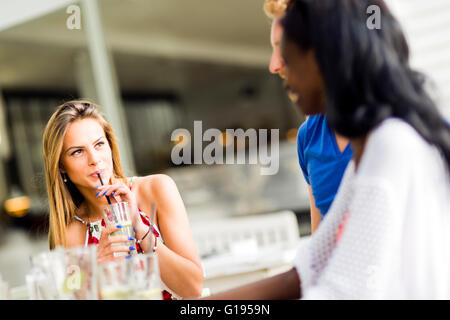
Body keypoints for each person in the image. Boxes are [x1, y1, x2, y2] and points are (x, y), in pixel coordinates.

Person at [203, 0, 450, 299]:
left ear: (328, 55)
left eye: (286, 47)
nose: (274, 65)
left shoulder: (392, 141)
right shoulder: (365, 150)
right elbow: (312, 267)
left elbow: (341, 290)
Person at [42, 100, 203, 299]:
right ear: (61, 166)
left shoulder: (156, 189)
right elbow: (67, 296)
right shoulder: (70, 231)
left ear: (110, 146)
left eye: (99, 144)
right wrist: (95, 270)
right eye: (77, 152)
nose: (94, 159)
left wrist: (139, 227)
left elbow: (193, 288)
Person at [264, 0, 352, 234]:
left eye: (281, 46)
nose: (273, 65)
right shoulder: (309, 135)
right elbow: (320, 246)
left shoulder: (399, 127)